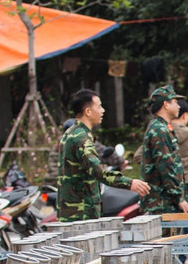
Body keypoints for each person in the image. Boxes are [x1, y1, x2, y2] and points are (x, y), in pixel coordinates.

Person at [57, 89, 150, 221]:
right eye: (99, 106)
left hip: (72, 210)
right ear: (88, 111)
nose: (103, 110)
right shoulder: (81, 138)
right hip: (81, 212)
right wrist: (129, 183)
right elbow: (99, 172)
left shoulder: (71, 133)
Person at [140, 85, 188, 215]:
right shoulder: (159, 130)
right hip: (162, 203)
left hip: (166, 201)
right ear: (166, 104)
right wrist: (179, 198)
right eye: (175, 102)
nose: (179, 106)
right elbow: (166, 166)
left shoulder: (162, 127)